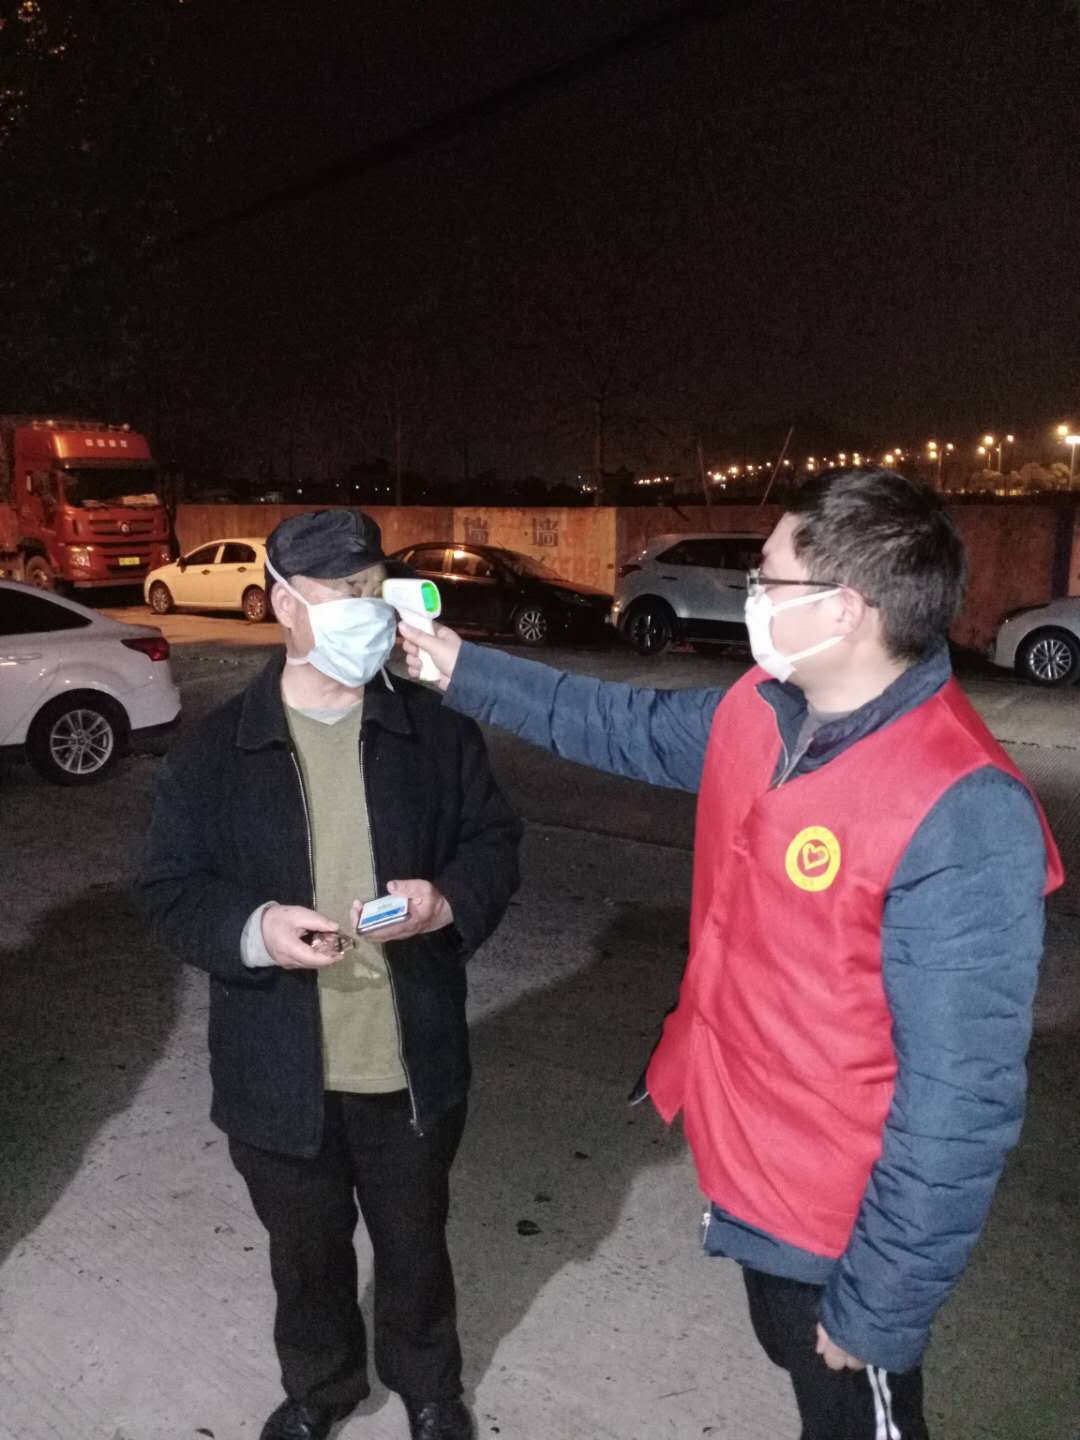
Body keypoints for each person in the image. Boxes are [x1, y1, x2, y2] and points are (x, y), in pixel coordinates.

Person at [399, 469, 1063, 1440]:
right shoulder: (766, 707)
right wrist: (458, 666)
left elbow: (961, 1102)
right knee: (791, 1359)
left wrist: (881, 1305)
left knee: (854, 1413)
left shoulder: (961, 808)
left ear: (845, 609)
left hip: (842, 1220)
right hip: (751, 1164)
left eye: (769, 578)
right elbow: (616, 724)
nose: (750, 595)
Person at [140, 509, 521, 1440]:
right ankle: (321, 1387)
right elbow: (170, 889)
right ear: (285, 605)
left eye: (374, 589)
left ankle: (429, 1386)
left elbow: (493, 844)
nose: (366, 609)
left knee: (415, 1244)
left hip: (407, 1060)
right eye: (342, 593)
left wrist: (445, 903)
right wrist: (256, 929)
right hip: (277, 1068)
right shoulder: (213, 751)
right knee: (305, 1255)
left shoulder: (436, 735)